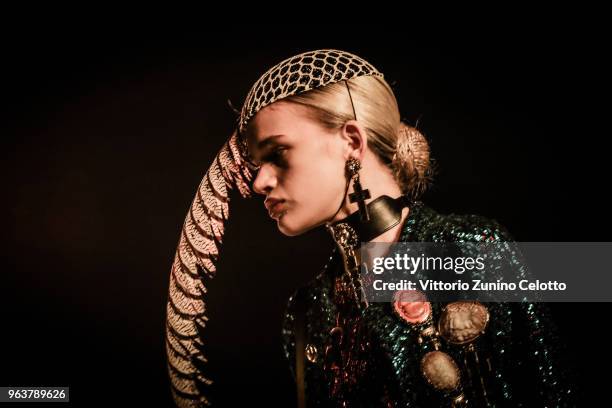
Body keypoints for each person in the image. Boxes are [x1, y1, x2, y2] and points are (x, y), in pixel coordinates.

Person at [165, 49, 573, 407]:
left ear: (352, 142)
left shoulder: (469, 248)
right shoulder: (307, 311)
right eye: (256, 165)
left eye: (278, 152)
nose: (259, 183)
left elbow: (553, 388)